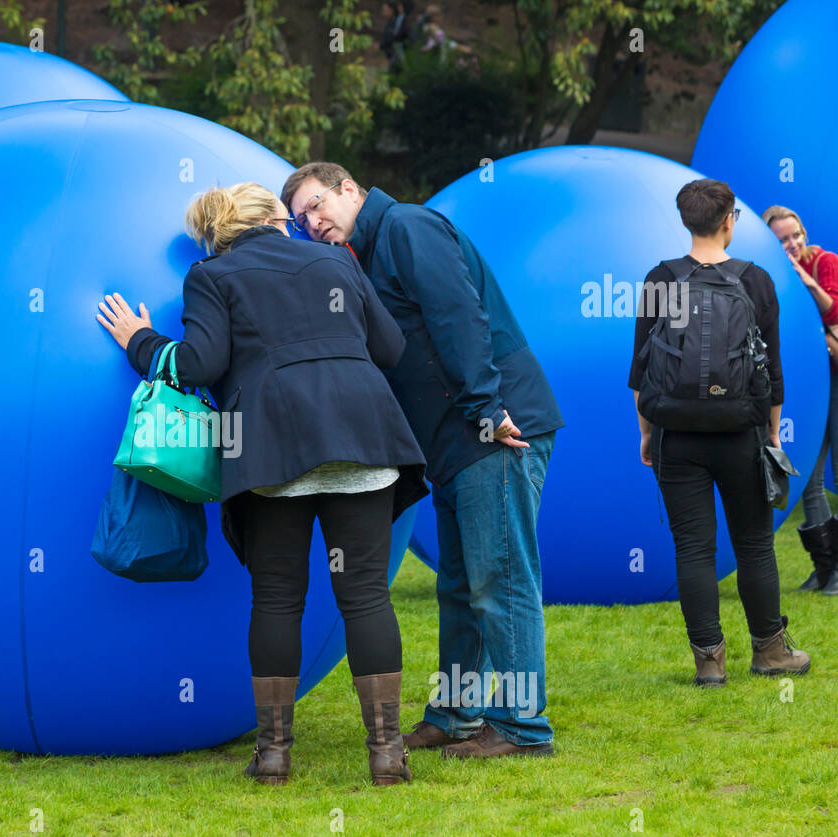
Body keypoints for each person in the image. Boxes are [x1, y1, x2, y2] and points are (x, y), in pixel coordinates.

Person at [95, 182, 429, 786]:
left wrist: (138, 342)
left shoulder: (213, 274)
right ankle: (386, 755)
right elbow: (391, 346)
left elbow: (199, 365)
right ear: (278, 219)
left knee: (277, 600)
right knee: (367, 597)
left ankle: (273, 757)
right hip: (364, 434)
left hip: (270, 447)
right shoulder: (335, 258)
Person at [283, 162, 564, 759]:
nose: (312, 222)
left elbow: (458, 317)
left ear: (350, 190)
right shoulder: (360, 257)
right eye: (301, 218)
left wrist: (488, 409)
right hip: (454, 441)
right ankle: (457, 715)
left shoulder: (407, 227)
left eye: (316, 205)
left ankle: (520, 728)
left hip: (494, 428)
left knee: (500, 579)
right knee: (460, 585)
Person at [629, 179, 810, 684]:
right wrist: (771, 434)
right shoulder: (756, 280)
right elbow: (772, 372)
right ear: (730, 219)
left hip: (676, 435)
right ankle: (770, 653)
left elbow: (641, 374)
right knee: (754, 545)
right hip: (741, 433)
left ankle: (709, 662)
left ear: (685, 219)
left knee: (692, 548)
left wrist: (647, 434)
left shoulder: (659, 279)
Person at [762, 204, 838, 594]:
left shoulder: (826, 262)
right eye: (782, 239)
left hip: (836, 379)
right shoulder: (770, 274)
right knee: (809, 475)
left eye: (796, 235)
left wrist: (806, 279)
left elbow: (834, 308)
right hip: (810, 383)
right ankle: (825, 568)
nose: (792, 244)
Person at [379, 1, 414, 68]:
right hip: (394, 52)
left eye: (385, 10)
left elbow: (404, 36)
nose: (398, 7)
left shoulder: (404, 20)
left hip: (399, 51)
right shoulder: (397, 20)